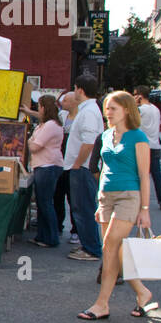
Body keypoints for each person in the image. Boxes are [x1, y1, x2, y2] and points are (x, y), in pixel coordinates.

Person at [77, 92, 155, 320]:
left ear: (127, 110)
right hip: (106, 196)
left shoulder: (138, 137)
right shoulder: (107, 134)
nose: (107, 112)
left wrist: (145, 209)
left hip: (128, 196)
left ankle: (102, 304)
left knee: (111, 246)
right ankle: (141, 291)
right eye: (107, 108)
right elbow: (103, 169)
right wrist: (100, 201)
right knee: (110, 250)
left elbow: (144, 174)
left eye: (113, 108)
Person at [63, 76, 104, 262]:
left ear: (80, 90)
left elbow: (89, 143)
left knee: (83, 208)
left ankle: (91, 248)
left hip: (82, 167)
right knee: (82, 208)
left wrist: (78, 163)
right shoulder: (88, 110)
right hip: (82, 166)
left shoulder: (88, 112)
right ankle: (89, 244)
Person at [28, 94, 65, 247]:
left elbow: (35, 146)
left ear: (44, 107)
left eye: (39, 106)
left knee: (45, 203)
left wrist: (30, 140)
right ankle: (43, 236)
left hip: (47, 166)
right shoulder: (49, 124)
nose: (38, 109)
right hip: (44, 165)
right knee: (43, 203)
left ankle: (51, 237)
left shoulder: (50, 125)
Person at [134, 86, 161, 210]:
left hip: (142, 145)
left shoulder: (140, 110)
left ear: (140, 96)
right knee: (156, 174)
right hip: (155, 144)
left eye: (135, 95)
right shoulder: (156, 109)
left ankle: (139, 201)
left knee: (140, 175)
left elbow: (133, 124)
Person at [55, 91, 78, 242]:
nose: (63, 103)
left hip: (73, 162)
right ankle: (58, 225)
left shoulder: (80, 117)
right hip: (59, 161)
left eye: (66, 100)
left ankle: (75, 230)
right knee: (57, 195)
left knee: (73, 198)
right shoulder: (62, 115)